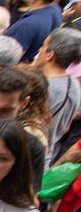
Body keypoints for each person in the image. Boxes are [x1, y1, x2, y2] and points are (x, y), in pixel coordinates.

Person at [33, 27, 81, 161]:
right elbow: (65, 127)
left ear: (50, 55)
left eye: (43, 46)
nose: (39, 50)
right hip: (47, 155)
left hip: (25, 153)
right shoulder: (74, 85)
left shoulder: (42, 87)